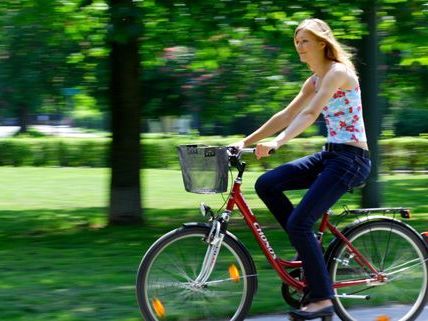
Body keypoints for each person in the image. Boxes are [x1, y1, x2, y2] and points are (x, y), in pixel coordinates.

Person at [234, 18, 371, 320]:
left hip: (352, 160)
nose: (299, 47)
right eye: (296, 42)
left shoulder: (337, 73)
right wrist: (245, 141)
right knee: (267, 184)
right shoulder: (313, 80)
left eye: (305, 41)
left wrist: (278, 143)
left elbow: (310, 113)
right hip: (331, 155)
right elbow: (287, 113)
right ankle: (307, 253)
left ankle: (323, 299)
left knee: (299, 223)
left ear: (323, 43)